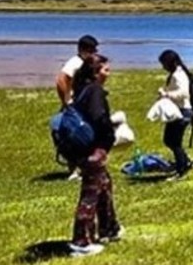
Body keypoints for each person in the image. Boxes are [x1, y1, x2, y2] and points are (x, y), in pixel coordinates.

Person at [69, 53, 122, 257]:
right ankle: (81, 241)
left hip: (84, 147)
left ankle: (109, 228)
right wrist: (112, 130)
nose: (109, 73)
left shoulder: (81, 89)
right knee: (90, 194)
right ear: (96, 72)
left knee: (104, 185)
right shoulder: (94, 91)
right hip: (93, 149)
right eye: (106, 70)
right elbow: (99, 118)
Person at [56, 35, 99, 179]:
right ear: (83, 49)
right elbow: (61, 79)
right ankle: (73, 170)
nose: (94, 52)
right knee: (73, 135)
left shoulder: (85, 63)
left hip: (82, 103)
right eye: (91, 50)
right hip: (74, 105)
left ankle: (83, 167)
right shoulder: (75, 63)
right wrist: (66, 100)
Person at [157, 49, 193, 178]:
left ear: (170, 63)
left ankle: (182, 169)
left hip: (182, 112)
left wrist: (166, 94)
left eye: (164, 64)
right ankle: (185, 162)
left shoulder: (178, 75)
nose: (163, 67)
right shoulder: (177, 73)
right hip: (178, 111)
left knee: (173, 141)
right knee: (170, 140)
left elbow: (184, 93)